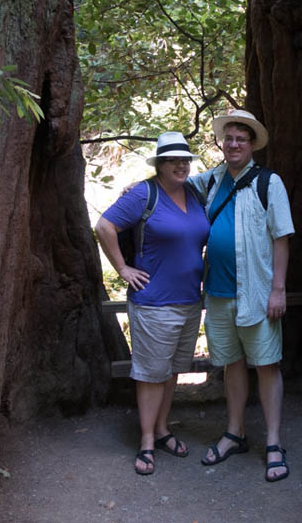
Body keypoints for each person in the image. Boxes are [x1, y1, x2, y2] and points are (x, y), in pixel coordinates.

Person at [187, 109, 295, 482]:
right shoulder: (211, 181)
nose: (233, 144)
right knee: (232, 363)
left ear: (251, 145)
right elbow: (175, 184)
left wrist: (278, 289)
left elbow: (281, 237)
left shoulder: (269, 182)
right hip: (217, 292)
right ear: (222, 143)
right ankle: (235, 433)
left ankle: (274, 442)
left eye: (241, 139)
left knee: (266, 364)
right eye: (228, 138)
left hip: (257, 292)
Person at [94, 132, 209, 476]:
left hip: (190, 300)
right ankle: (146, 440)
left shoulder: (195, 192)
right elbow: (104, 226)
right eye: (173, 160)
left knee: (173, 370)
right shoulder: (145, 193)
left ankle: (162, 430)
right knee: (150, 374)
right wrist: (123, 268)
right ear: (160, 164)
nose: (181, 165)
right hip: (153, 302)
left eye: (185, 159)